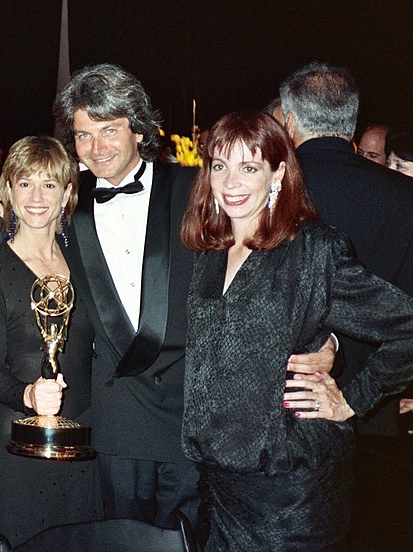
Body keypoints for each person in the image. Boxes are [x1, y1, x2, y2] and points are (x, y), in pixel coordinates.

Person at [50, 63, 335, 533]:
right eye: (83, 135)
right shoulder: (64, 203)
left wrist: (321, 340)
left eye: (108, 131)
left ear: (138, 130)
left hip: (197, 416)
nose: (95, 148)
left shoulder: (196, 188)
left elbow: (273, 260)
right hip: (118, 420)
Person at [180, 109, 413, 550]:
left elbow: (407, 327)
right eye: (220, 166)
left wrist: (352, 399)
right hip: (220, 487)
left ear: (278, 173)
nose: (231, 182)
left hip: (290, 491)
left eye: (249, 167)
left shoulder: (311, 248)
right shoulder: (210, 250)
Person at [279, 62, 413, 549]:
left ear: (290, 122)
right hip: (379, 412)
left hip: (290, 411)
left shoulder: (270, 197)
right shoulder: (404, 196)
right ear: (351, 124)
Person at [0, 136, 102, 550]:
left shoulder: (86, 262)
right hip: (15, 448)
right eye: (25, 183)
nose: (37, 196)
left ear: (67, 193)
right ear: (7, 191)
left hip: (81, 440)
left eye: (49, 184)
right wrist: (28, 393)